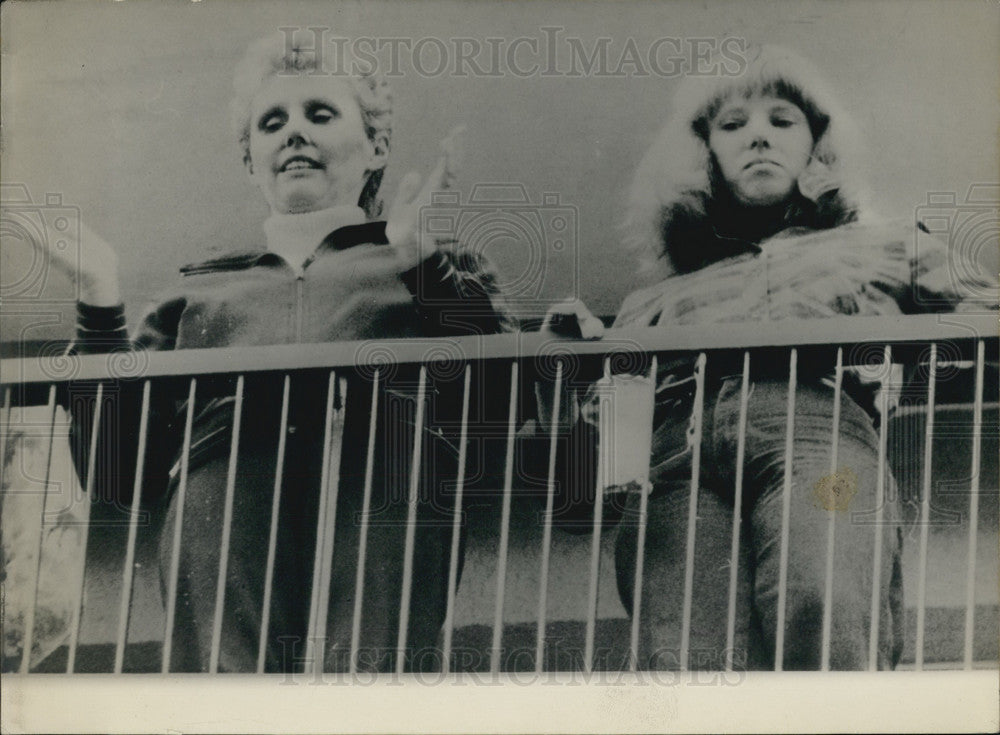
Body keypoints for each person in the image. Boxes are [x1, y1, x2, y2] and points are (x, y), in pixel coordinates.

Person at [38, 32, 514, 673]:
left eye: (320, 114)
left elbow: (502, 409)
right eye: (272, 122)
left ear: (374, 147)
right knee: (229, 703)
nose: (294, 132)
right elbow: (119, 473)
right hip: (222, 524)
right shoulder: (197, 290)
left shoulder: (434, 263)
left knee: (368, 699)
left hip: (382, 514)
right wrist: (99, 301)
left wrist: (423, 265)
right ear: (249, 158)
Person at [538, 44, 994, 670]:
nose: (758, 137)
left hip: (820, 430)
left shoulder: (882, 247)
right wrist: (576, 376)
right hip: (676, 457)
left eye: (782, 121)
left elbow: (986, 317)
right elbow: (584, 503)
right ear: (705, 155)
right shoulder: (654, 301)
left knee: (823, 606)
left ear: (816, 148)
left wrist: (920, 349)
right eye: (733, 125)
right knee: (681, 656)